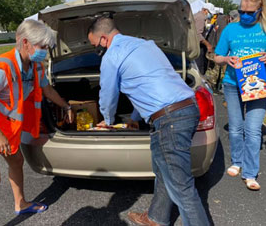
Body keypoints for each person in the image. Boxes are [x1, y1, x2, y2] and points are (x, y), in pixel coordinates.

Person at [87, 17, 209, 226]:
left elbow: (108, 95)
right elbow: (147, 85)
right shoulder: (146, 45)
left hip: (170, 119)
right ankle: (156, 218)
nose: (96, 50)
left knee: (182, 187)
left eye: (95, 45)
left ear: (104, 39)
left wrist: (107, 120)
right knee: (164, 170)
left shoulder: (112, 56)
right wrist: (135, 119)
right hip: (187, 108)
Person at [0, 19, 74, 226]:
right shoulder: (2, 67)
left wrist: (66, 106)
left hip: (3, 127)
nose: (46, 51)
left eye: (48, 47)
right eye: (43, 47)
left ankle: (20, 203)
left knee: (16, 161)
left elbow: (47, 90)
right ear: (24, 43)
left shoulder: (36, 66)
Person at [213, 0, 266, 191]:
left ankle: (250, 173)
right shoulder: (230, 29)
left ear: (260, 10)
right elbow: (217, 57)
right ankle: (237, 160)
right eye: (241, 11)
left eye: (249, 12)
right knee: (236, 127)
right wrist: (227, 59)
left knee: (253, 130)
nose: (244, 15)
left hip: (259, 87)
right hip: (233, 84)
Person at [194, 2, 216, 75]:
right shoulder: (201, 18)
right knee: (199, 67)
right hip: (197, 46)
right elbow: (198, 34)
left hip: (195, 45)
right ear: (205, 10)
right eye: (210, 13)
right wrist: (208, 45)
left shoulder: (197, 15)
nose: (211, 15)